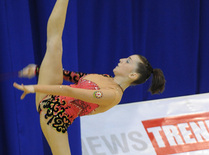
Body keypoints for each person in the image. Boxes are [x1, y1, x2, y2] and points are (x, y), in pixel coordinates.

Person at [13, 0, 166, 154]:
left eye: (127, 61)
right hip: (49, 95)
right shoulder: (105, 77)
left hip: (54, 120)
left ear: (133, 75)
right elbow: (75, 77)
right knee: (54, 43)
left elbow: (71, 92)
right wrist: (39, 70)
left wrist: (34, 88)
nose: (121, 60)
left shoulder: (113, 95)